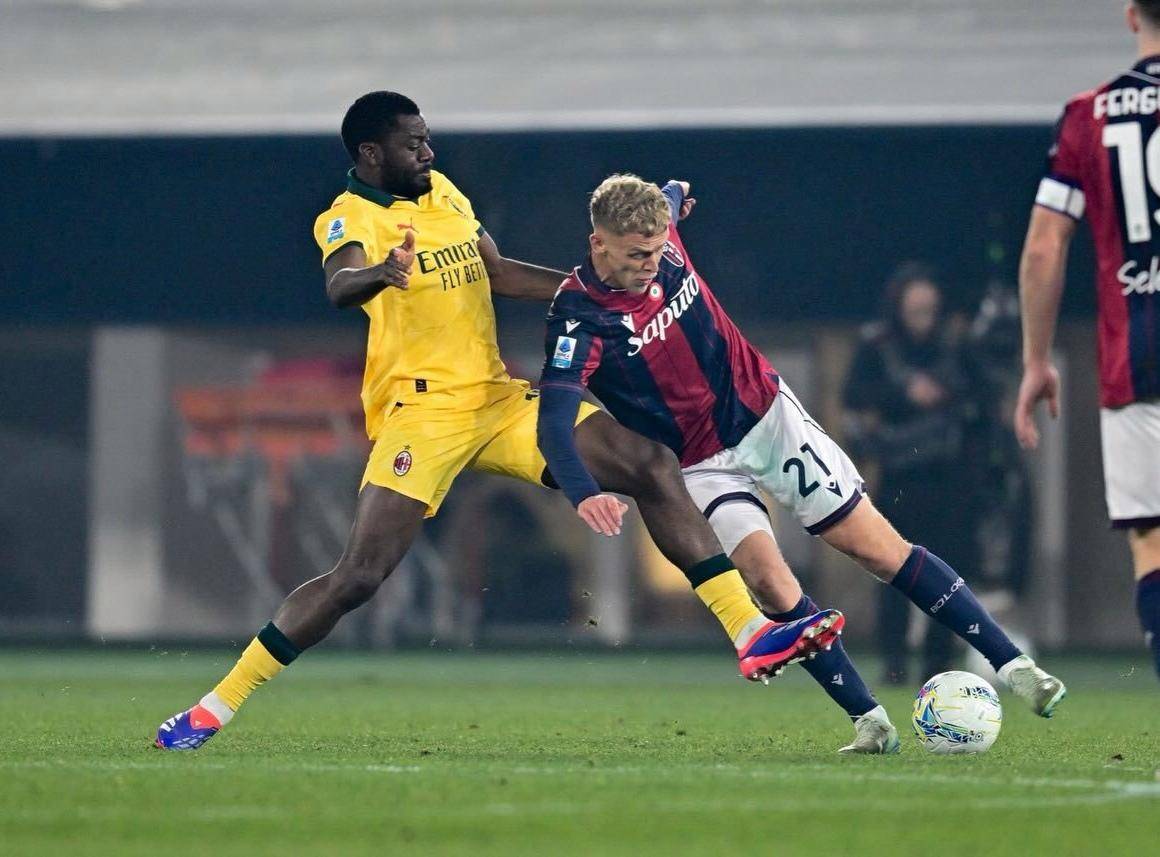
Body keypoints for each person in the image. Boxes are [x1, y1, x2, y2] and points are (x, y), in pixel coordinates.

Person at [154, 93, 841, 750]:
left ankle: (748, 632)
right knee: (358, 577)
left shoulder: (445, 194)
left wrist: (588, 289)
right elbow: (340, 284)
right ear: (370, 152)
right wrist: (382, 274)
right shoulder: (348, 216)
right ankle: (215, 705)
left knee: (649, 463)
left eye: (427, 138)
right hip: (423, 415)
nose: (428, 150)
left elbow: (501, 273)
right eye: (413, 143)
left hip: (494, 399)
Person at [536, 175, 1067, 749]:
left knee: (877, 550)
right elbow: (553, 424)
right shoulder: (578, 321)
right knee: (769, 584)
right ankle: (870, 721)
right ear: (598, 243)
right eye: (637, 255)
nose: (651, 264)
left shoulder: (662, 236)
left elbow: (671, 192)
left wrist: (677, 195)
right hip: (701, 463)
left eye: (658, 249)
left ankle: (1016, 668)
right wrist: (583, 490)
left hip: (767, 419)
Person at [1016, 0, 1160, 679]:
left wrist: (1036, 359)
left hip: (1139, 358)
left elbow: (1045, 246)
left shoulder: (1090, 115)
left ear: (1131, 16)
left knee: (1153, 543)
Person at [842, 264, 979, 684]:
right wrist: (905, 394)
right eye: (916, 309)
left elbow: (981, 399)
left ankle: (938, 662)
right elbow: (853, 397)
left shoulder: (956, 346)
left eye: (929, 309)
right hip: (898, 475)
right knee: (892, 568)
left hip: (950, 476)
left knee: (948, 573)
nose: (923, 317)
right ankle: (894, 661)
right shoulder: (878, 345)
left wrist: (945, 394)